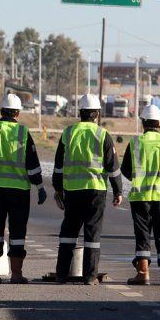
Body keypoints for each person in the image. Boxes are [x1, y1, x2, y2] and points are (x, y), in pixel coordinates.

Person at [0, 94, 47, 284]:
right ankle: (16, 274)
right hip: (19, 190)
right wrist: (39, 187)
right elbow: (32, 165)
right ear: (18, 113)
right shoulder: (22, 133)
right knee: (17, 232)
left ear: (1, 111)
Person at [52, 94, 123, 285]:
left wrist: (58, 189)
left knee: (68, 232)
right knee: (92, 234)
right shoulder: (102, 135)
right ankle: (90, 276)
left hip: (72, 191)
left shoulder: (68, 133)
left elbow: (58, 166)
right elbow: (113, 167)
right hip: (95, 190)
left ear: (80, 112)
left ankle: (61, 274)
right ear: (97, 114)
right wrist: (118, 191)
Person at [121, 104, 160, 286]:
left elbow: (126, 170)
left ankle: (143, 273)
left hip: (140, 197)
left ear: (143, 122)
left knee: (142, 235)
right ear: (159, 123)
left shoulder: (135, 143)